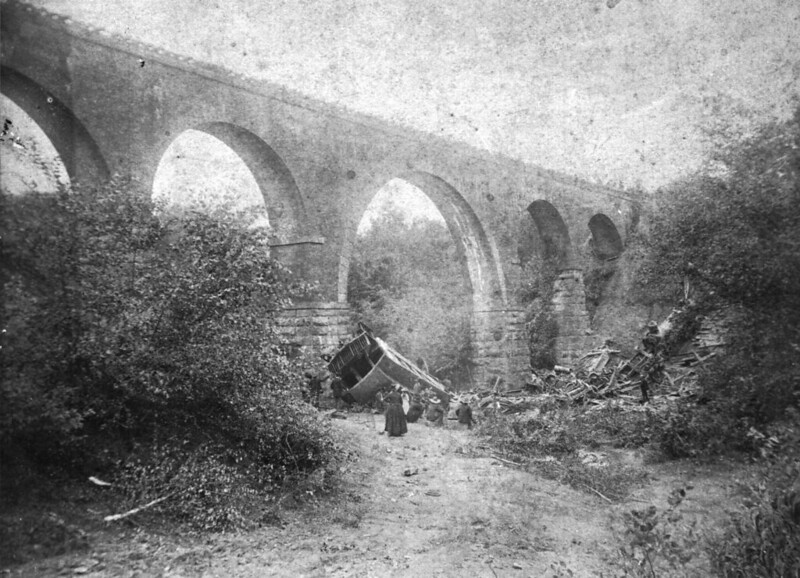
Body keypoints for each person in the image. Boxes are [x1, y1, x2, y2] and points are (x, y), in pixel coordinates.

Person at [639, 321, 665, 404]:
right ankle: (648, 396)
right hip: (659, 359)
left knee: (643, 377)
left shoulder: (653, 338)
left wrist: (642, 351)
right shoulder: (658, 335)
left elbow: (647, 348)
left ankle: (647, 397)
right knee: (648, 377)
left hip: (655, 360)